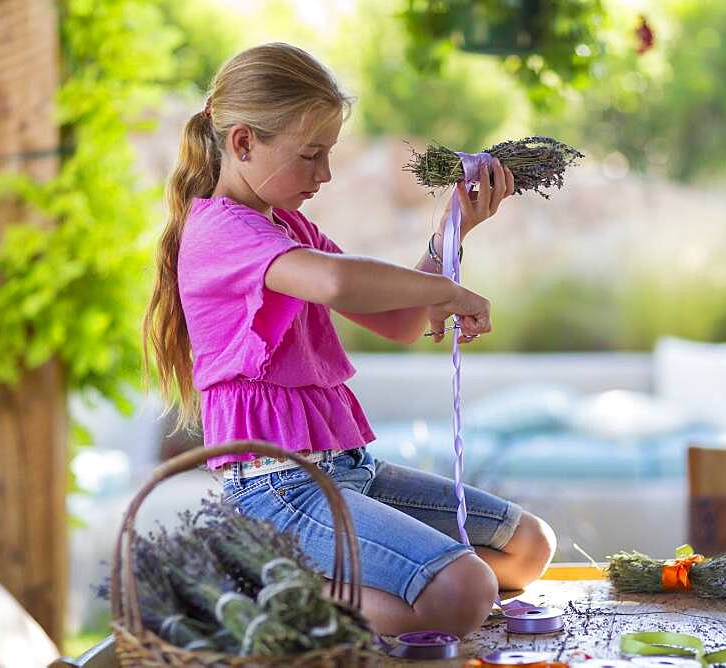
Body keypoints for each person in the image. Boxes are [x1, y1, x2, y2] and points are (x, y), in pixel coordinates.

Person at [143, 42, 556, 637]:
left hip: (347, 471)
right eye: (311, 155)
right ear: (242, 143)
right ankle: (268, 584)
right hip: (275, 488)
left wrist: (452, 230)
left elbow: (399, 320)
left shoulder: (290, 227)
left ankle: (364, 589)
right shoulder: (219, 231)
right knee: (467, 592)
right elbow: (337, 281)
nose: (326, 174)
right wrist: (446, 294)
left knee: (527, 548)